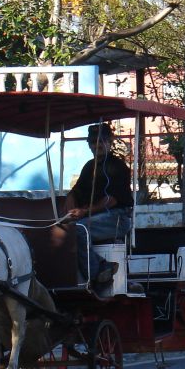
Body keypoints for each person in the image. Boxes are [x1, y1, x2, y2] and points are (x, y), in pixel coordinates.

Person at [62, 122, 134, 289]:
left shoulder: (118, 167)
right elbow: (74, 192)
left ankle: (99, 272)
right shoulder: (89, 167)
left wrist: (83, 212)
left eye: (101, 141)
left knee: (80, 229)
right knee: (64, 229)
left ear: (109, 142)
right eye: (93, 142)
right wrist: (69, 212)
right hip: (95, 216)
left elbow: (112, 200)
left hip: (118, 217)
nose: (97, 145)